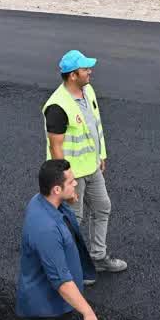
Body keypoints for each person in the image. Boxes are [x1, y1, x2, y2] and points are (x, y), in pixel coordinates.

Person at [43, 50, 128, 281]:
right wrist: (65, 180)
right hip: (73, 175)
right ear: (72, 75)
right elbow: (55, 148)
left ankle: (98, 257)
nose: (90, 72)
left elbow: (95, 125)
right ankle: (72, 266)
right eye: (85, 69)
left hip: (91, 166)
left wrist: (101, 154)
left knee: (102, 207)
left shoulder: (87, 90)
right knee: (73, 220)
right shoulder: (57, 106)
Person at [16, 159, 99, 320]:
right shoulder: (46, 228)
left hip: (55, 308)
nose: (76, 184)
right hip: (44, 315)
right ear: (55, 189)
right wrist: (87, 311)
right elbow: (61, 281)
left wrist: (69, 197)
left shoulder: (42, 201)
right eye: (71, 182)